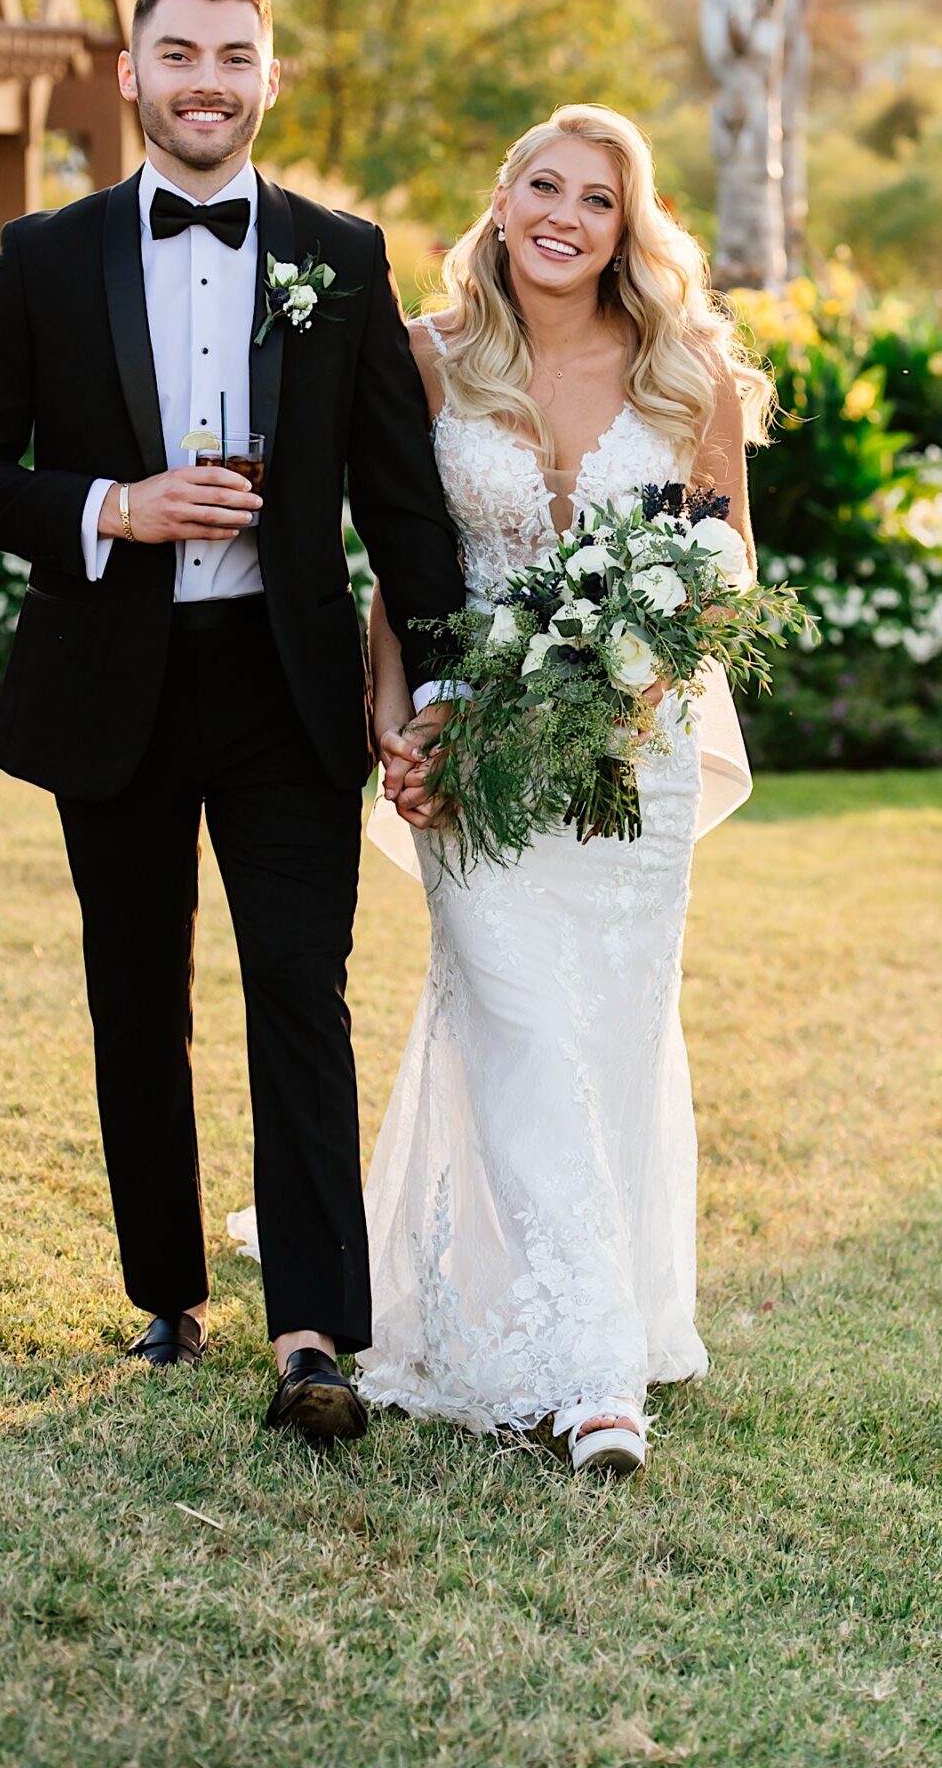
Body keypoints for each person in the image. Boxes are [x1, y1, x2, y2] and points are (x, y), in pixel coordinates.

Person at [0, 0, 465, 1445]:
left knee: (302, 988)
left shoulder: (340, 256)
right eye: (180, 56)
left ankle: (315, 1338)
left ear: (268, 78)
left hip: (285, 689)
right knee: (134, 996)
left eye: (234, 58)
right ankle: (167, 1286)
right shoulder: (44, 257)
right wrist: (112, 507)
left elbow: (400, 500)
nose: (206, 83)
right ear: (132, 74)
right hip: (119, 683)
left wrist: (446, 684)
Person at [362, 104, 771, 1475]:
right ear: (503, 198)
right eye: (545, 184)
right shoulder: (428, 358)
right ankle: (596, 1374)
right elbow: (397, 561)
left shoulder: (685, 369)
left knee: (602, 1033)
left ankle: (588, 1309)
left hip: (622, 767)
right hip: (476, 748)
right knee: (517, 1021)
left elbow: (728, 573)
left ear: (624, 229)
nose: (565, 214)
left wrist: (640, 677)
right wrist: (392, 712)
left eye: (598, 200)